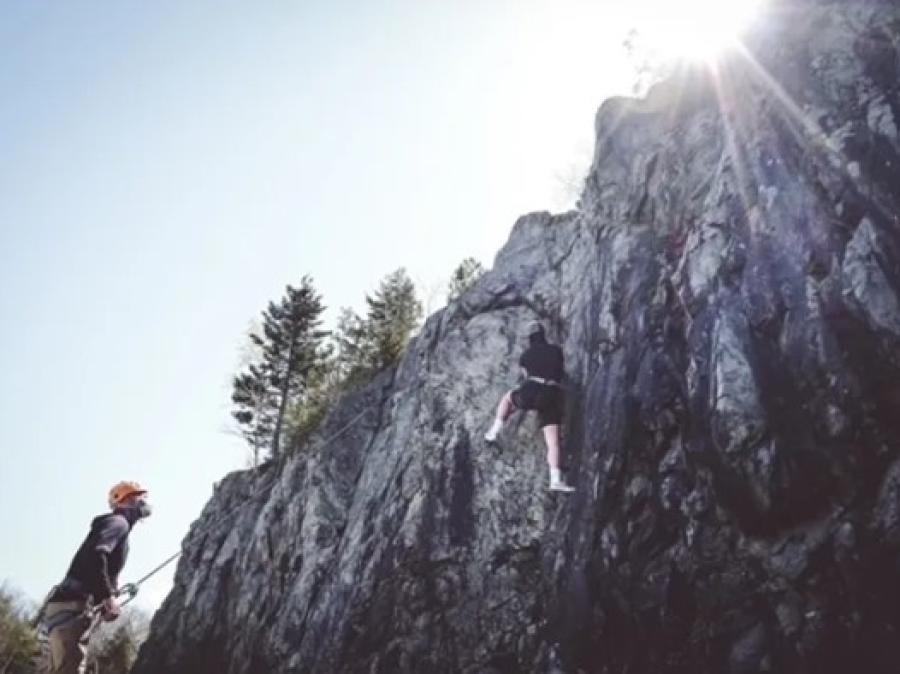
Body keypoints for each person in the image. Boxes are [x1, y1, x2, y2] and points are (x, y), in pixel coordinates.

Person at [40, 481, 152, 674]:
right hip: (73, 607)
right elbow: (96, 554)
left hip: (70, 606)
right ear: (128, 500)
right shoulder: (118, 523)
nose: (145, 502)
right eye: (140, 498)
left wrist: (106, 598)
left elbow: (95, 561)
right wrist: (107, 596)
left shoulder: (116, 525)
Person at [485, 322, 576, 492]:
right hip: (552, 394)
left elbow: (526, 375)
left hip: (532, 390)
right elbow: (560, 371)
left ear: (530, 338)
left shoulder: (526, 355)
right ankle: (555, 480)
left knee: (508, 398)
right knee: (553, 442)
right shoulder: (556, 350)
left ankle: (493, 432)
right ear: (543, 335)